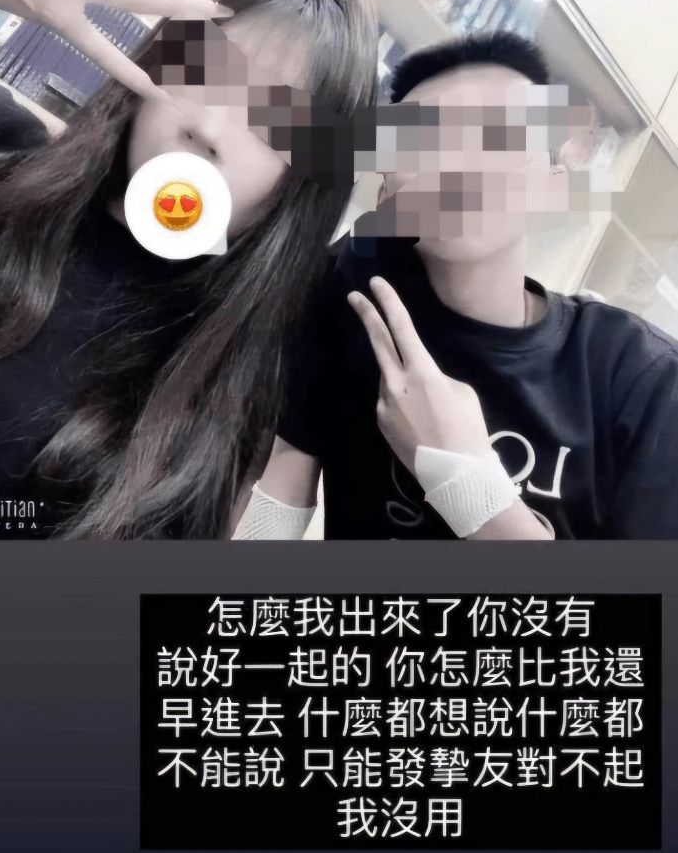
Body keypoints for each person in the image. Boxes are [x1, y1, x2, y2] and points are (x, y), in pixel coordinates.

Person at [0, 0, 379, 539]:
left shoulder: (230, 392)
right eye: (205, 74)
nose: (211, 129)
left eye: (275, 120)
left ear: (306, 182)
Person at [239, 32, 678, 541]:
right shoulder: (353, 296)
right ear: (387, 195)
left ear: (552, 184)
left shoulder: (640, 378)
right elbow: (284, 480)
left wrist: (466, 481)